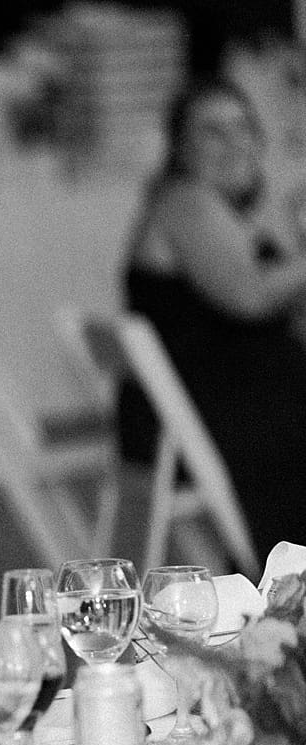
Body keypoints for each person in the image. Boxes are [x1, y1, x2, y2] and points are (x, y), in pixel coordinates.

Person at [118, 77, 306, 561]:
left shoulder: (218, 210)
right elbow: (250, 297)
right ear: (180, 147)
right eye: (213, 131)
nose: (235, 142)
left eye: (244, 127)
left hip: (213, 411)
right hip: (224, 422)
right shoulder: (186, 202)